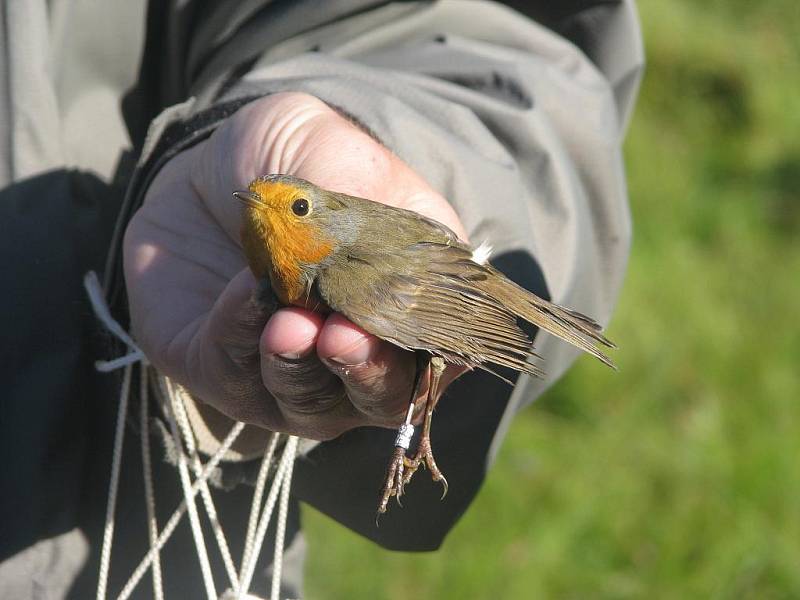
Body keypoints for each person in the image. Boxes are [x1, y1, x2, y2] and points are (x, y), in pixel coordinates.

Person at [0, 1, 643, 597]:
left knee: (365, 340)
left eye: (297, 206)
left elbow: (441, 310)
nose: (264, 208)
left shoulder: (339, 271)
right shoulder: (280, 259)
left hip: (431, 274)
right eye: (260, 205)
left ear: (325, 213)